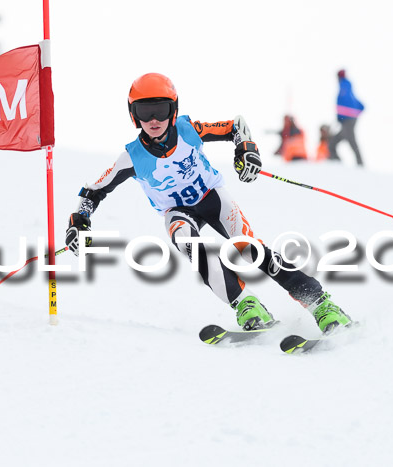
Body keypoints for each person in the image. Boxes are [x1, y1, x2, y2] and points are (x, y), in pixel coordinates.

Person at [64, 73, 353, 332]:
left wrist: (246, 149)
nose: (154, 119)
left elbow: (234, 127)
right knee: (190, 244)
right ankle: (245, 305)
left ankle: (321, 305)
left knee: (248, 249)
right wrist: (79, 222)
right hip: (177, 212)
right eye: (145, 111)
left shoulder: (189, 129)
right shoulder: (132, 157)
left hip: (212, 197)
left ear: (173, 110)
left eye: (161, 110)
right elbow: (93, 190)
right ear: (133, 115)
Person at [328, 69, 364, 166]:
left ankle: (360, 164)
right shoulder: (347, 86)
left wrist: (341, 116)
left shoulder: (343, 87)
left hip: (347, 119)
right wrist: (359, 108)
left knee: (350, 140)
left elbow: (343, 102)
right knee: (335, 141)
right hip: (348, 119)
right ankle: (337, 162)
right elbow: (355, 102)